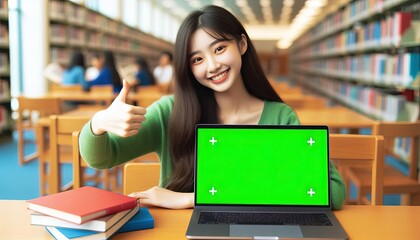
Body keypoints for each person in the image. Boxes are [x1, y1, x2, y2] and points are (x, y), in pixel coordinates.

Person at [79, 5, 346, 210]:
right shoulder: (170, 112)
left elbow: (332, 192)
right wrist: (98, 123)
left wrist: (193, 199)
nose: (212, 66)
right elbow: (101, 158)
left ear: (241, 44)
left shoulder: (279, 117)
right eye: (197, 58)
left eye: (219, 48)